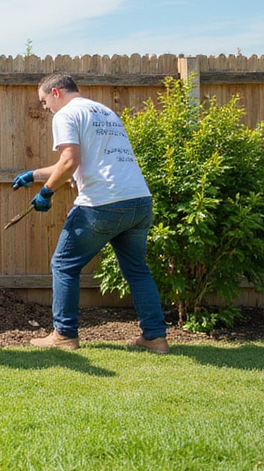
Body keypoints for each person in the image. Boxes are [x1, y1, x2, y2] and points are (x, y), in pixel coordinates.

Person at [15, 73, 168, 353]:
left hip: (102, 203)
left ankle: (64, 334)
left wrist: (46, 193)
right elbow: (84, 161)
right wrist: (35, 175)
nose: (45, 107)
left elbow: (70, 161)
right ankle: (156, 337)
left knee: (64, 265)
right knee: (137, 270)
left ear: (56, 93)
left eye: (44, 100)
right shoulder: (105, 112)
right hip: (138, 200)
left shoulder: (64, 115)